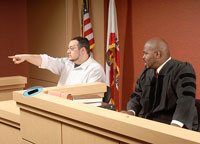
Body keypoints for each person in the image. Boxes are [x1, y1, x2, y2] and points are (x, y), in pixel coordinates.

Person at [122, 37, 198, 131]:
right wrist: (131, 111)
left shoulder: (182, 69)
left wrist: (175, 127)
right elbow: (137, 95)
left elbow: (186, 99)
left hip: (170, 125)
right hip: (147, 123)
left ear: (157, 54)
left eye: (145, 53)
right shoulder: (147, 72)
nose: (143, 57)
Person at [8, 36, 106, 86]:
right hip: (60, 105)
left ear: (83, 50)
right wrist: (25, 57)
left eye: (71, 48)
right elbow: (46, 61)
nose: (68, 51)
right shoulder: (67, 63)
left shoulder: (95, 69)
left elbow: (89, 96)